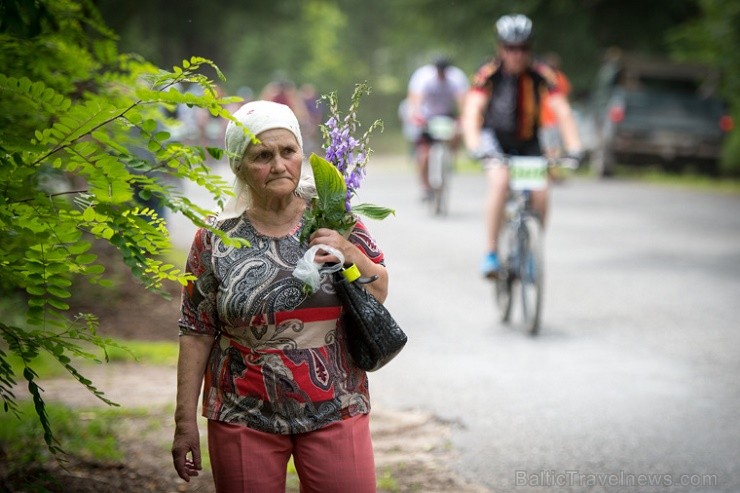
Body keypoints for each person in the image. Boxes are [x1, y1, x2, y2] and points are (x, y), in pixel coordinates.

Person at [171, 100, 388, 493]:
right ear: (239, 165)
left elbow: (379, 291)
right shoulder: (214, 238)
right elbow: (196, 330)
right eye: (262, 155)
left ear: (301, 155)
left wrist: (348, 251)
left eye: (288, 152)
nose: (278, 165)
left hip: (336, 405)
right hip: (243, 413)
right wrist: (184, 420)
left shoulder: (333, 217)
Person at [461, 14, 583, 278]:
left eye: (523, 48)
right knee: (501, 183)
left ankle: (531, 249)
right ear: (500, 48)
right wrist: (474, 144)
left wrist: (574, 147)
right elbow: (472, 110)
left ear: (530, 48)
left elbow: (562, 111)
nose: (516, 54)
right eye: (510, 48)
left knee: (541, 194)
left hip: (529, 141)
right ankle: (491, 253)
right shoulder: (488, 72)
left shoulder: (542, 72)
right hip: (494, 139)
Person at [406, 56, 469, 200]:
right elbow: (418, 100)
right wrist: (416, 115)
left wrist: (463, 116)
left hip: (446, 116)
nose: (441, 73)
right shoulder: (427, 81)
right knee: (424, 154)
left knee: (457, 132)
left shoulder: (454, 82)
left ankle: (450, 158)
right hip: (428, 118)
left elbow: (461, 101)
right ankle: (424, 185)